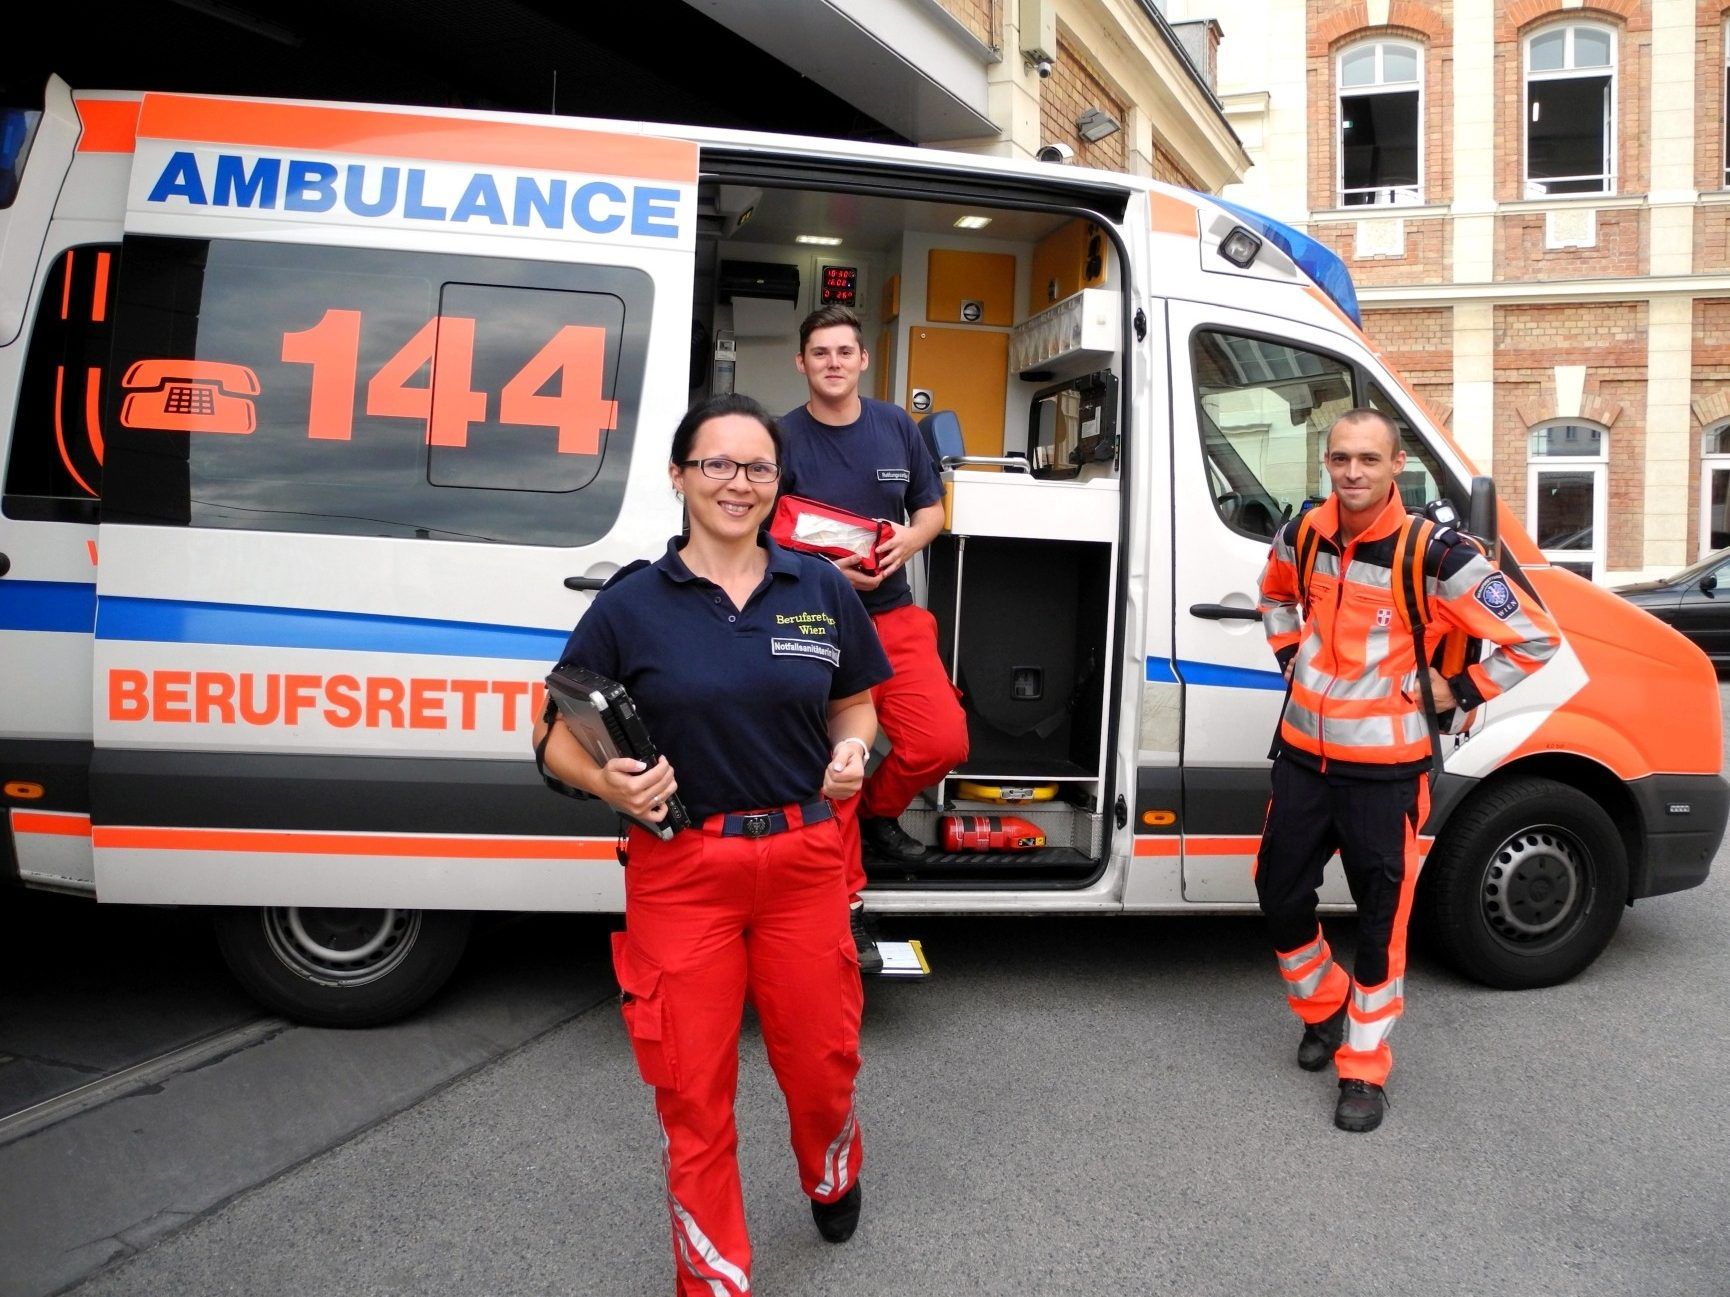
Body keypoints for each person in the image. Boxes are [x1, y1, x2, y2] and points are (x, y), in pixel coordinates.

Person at [533, 393, 892, 1295]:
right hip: (681, 868)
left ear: (780, 482)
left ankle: (831, 1168)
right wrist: (602, 779)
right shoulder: (631, 605)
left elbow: (856, 700)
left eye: (758, 467)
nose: (739, 482)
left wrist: (852, 746)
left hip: (807, 861)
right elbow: (552, 733)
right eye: (718, 464)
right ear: (679, 476)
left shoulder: (818, 588)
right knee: (692, 1090)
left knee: (821, 1062)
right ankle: (715, 1277)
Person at [1255, 408, 1559, 1133]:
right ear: (1325, 463)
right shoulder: (1303, 533)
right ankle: (1324, 1005)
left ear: (1397, 465)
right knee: (1277, 891)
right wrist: (1291, 657)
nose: (1352, 471)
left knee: (1381, 923)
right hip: (1303, 754)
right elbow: (1272, 595)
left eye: (1368, 458)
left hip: (1386, 772)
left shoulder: (1438, 554)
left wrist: (1462, 689)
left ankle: (1363, 1067)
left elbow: (1535, 637)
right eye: (1340, 459)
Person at [779, 305, 970, 972]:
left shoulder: (895, 426)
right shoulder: (781, 438)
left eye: (844, 351)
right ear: (801, 363)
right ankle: (844, 906)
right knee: (838, 770)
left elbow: (933, 510)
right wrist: (821, 572)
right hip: (812, 620)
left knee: (943, 739)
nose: (833, 362)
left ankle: (875, 815)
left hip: (892, 613)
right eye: (820, 352)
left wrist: (906, 544)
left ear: (864, 360)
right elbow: (757, 530)